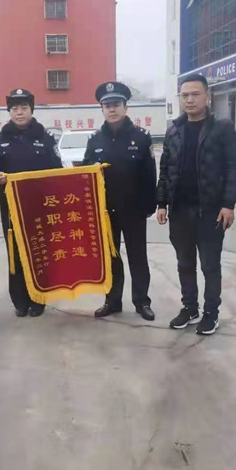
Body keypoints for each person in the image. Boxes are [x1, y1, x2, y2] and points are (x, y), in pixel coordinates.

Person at [157, 74, 236, 335]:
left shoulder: (222, 128)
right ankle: (190, 308)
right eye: (185, 95)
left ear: (208, 97)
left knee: (209, 266)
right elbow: (165, 168)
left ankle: (211, 313)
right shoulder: (174, 129)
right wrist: (162, 203)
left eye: (195, 94)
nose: (190, 100)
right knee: (184, 263)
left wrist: (228, 204)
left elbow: (233, 168)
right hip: (180, 210)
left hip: (211, 211)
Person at [83, 81, 157, 321]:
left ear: (126, 107)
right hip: (106, 211)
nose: (112, 109)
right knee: (110, 257)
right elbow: (85, 174)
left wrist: (150, 205)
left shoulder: (141, 137)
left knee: (138, 257)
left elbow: (149, 174)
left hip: (134, 209)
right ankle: (112, 300)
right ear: (102, 109)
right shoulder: (95, 140)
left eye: (116, 104)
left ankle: (142, 302)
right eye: (107, 106)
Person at [0, 89, 62, 317]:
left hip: (40, 205)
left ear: (31, 110)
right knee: (16, 251)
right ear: (9, 112)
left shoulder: (45, 137)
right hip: (10, 205)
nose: (19, 112)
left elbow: (57, 170)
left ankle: (38, 299)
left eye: (24, 108)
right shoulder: (1, 139)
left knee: (39, 251)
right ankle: (20, 300)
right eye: (15, 109)